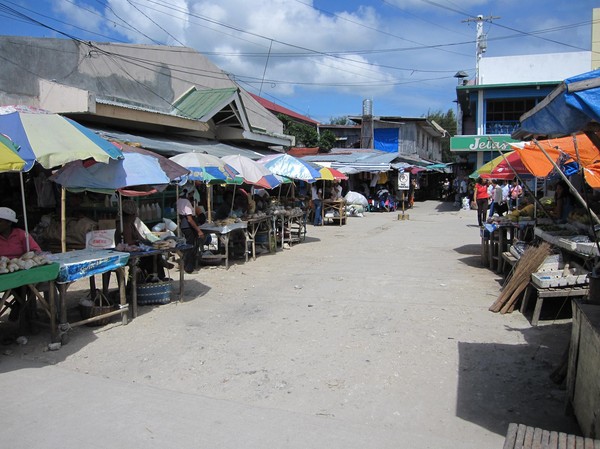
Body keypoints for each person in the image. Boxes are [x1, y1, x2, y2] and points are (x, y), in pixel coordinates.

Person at [0, 207, 42, 323]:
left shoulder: (20, 234)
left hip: (21, 268)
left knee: (25, 285)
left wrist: (25, 258)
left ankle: (20, 307)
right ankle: (19, 306)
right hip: (4, 270)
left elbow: (36, 250)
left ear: (9, 223)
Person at [120, 200, 172, 281]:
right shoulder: (125, 225)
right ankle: (156, 276)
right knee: (152, 258)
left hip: (136, 249)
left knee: (155, 253)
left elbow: (140, 237)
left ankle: (158, 275)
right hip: (129, 253)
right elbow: (128, 242)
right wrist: (138, 242)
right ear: (131, 215)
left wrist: (149, 242)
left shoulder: (131, 224)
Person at [177, 189, 205, 274]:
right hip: (188, 227)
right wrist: (199, 230)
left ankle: (187, 264)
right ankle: (189, 268)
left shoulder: (179, 200)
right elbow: (190, 219)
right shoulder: (186, 202)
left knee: (189, 246)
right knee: (190, 247)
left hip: (184, 226)